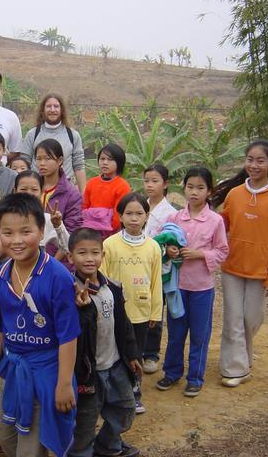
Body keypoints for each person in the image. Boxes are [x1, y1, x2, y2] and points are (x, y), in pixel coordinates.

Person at [0, 193, 80, 457]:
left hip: (47, 374)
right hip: (11, 371)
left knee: (32, 450)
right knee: (7, 441)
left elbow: (68, 336)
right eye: (8, 232)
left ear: (41, 232)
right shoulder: (1, 275)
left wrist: (63, 383)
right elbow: (0, 327)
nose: (16, 240)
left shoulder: (57, 276)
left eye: (25, 231)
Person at [212, 140, 268, 387]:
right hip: (232, 267)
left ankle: (242, 357)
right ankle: (235, 369)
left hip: (260, 270)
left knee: (251, 319)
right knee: (233, 318)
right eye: (250, 160)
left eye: (260, 161)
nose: (254, 165)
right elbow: (220, 225)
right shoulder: (234, 195)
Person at [67, 228, 141, 457]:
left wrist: (132, 355)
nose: (89, 258)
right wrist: (81, 308)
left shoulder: (113, 288)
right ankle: (80, 453)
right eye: (82, 253)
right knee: (86, 421)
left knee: (126, 409)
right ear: (70, 257)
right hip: (88, 371)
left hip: (116, 364)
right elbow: (71, 333)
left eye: (95, 252)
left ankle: (107, 445)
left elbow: (124, 326)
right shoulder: (69, 292)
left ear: (103, 255)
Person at [157, 167, 229, 397]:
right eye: (190, 187)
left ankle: (195, 377)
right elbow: (159, 245)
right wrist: (169, 250)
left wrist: (201, 254)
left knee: (200, 334)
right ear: (183, 188)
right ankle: (172, 372)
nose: (194, 192)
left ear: (209, 191)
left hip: (202, 288)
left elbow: (222, 250)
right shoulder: (174, 218)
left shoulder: (215, 221)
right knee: (176, 332)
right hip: (177, 287)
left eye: (200, 187)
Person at [100, 192, 162, 414]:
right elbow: (102, 280)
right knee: (117, 354)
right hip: (117, 314)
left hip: (142, 313)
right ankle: (114, 393)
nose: (134, 218)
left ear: (147, 216)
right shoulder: (109, 245)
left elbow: (156, 282)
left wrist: (156, 312)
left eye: (139, 213)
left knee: (137, 354)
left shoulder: (153, 247)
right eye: (129, 213)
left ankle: (135, 394)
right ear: (120, 216)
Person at [142, 164, 177, 374]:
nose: (150, 185)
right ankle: (137, 349)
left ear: (166, 184)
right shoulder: (140, 206)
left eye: (155, 181)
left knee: (156, 309)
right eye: (146, 180)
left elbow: (172, 242)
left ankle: (152, 354)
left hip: (161, 269)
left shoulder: (171, 214)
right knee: (139, 308)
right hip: (138, 267)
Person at [21, 93, 86, 192]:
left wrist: (83, 195)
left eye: (56, 106)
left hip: (64, 191)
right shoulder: (32, 134)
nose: (52, 110)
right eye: (48, 106)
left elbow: (79, 166)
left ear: (61, 110)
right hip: (38, 190)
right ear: (43, 110)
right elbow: (24, 163)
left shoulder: (73, 135)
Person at [14, 170, 70, 257]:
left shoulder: (46, 219)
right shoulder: (5, 218)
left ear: (41, 192)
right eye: (23, 189)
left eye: (34, 189)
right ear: (15, 191)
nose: (29, 193)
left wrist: (58, 225)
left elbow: (67, 247)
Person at [35, 139, 83, 233]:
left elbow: (73, 230)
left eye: (47, 158)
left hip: (57, 246)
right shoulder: (31, 186)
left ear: (60, 160)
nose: (42, 163)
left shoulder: (72, 194)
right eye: (38, 159)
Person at [82, 144, 131, 236]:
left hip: (112, 234)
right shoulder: (91, 182)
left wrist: (107, 232)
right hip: (89, 232)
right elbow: (84, 207)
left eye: (110, 159)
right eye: (102, 159)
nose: (105, 162)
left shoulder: (123, 186)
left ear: (119, 162)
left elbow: (118, 214)